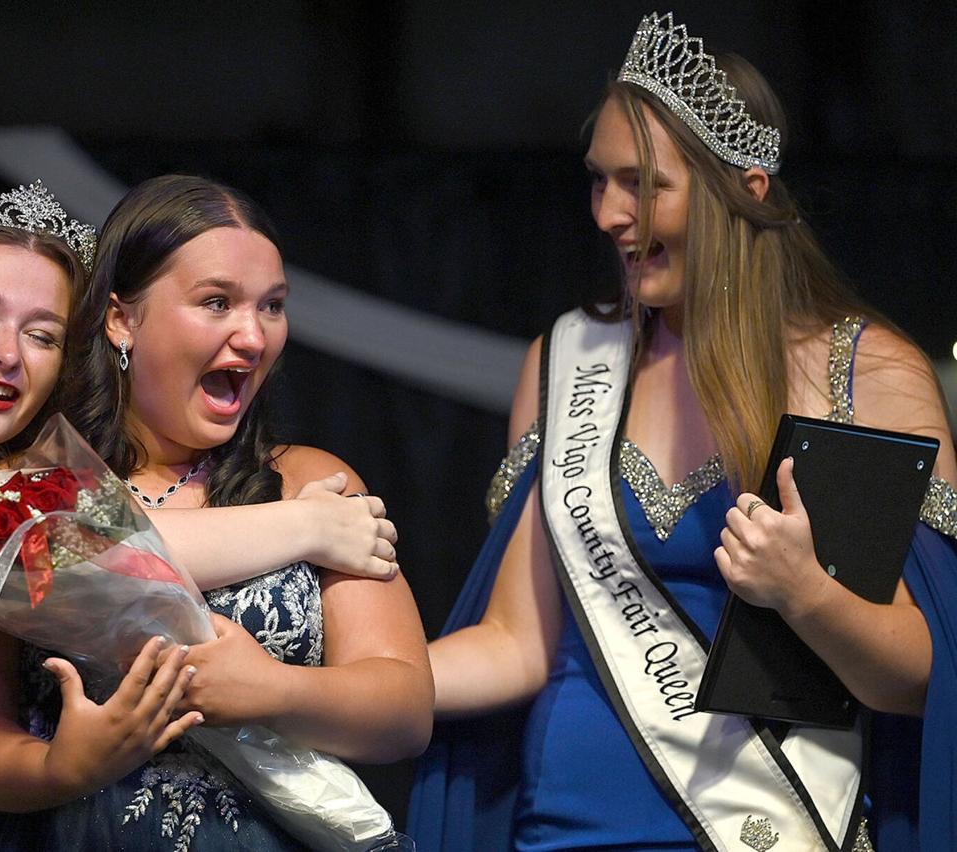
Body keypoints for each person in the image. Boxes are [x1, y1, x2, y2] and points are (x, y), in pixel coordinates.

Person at [410, 12, 957, 852]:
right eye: (598, 181)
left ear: (747, 186)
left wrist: (806, 593)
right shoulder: (564, 361)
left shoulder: (863, 372)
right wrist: (337, 684)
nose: (607, 214)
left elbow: (927, 674)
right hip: (559, 834)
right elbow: (517, 645)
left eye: (643, 184)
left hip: (775, 827)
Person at [0, 181, 402, 851]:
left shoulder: (2, 463)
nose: (9, 353)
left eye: (43, 334)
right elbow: (47, 553)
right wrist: (309, 527)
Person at [0, 174, 434, 851]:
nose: (253, 335)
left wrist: (272, 690)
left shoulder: (311, 481)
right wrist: (64, 767)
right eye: (217, 303)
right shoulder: (26, 487)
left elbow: (404, 711)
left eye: (272, 306)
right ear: (122, 318)